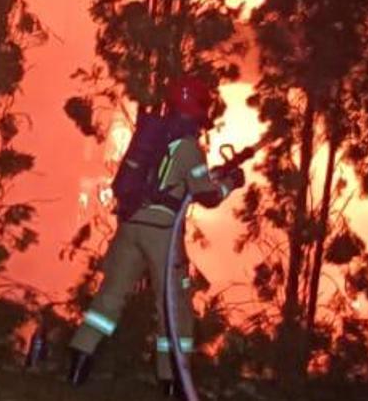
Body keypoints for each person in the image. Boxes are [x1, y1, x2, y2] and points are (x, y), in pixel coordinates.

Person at [67, 74, 243, 397]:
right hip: (162, 233)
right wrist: (232, 182)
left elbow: (171, 178)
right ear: (198, 107)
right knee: (174, 306)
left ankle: (78, 365)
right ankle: (172, 381)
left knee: (109, 298)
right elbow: (206, 194)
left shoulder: (152, 134)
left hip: (130, 226)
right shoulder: (189, 146)